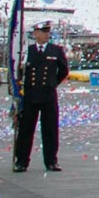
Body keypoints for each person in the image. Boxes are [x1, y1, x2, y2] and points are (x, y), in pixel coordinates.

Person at [13, 21, 68, 173]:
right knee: (25, 130)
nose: (46, 35)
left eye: (47, 32)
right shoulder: (27, 52)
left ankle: (51, 161)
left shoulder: (56, 50)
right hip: (30, 95)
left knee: (50, 130)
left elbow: (63, 71)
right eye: (43, 32)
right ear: (35, 33)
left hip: (48, 95)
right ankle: (21, 161)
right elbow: (19, 72)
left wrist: (52, 84)